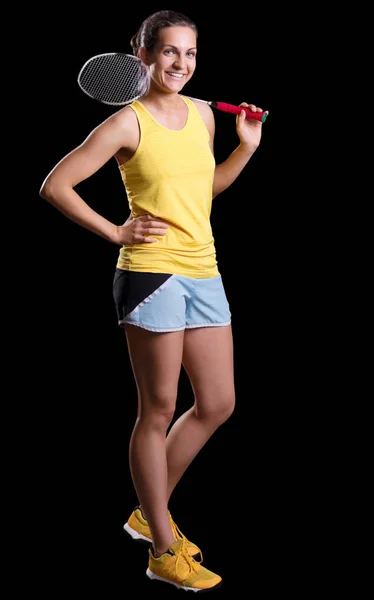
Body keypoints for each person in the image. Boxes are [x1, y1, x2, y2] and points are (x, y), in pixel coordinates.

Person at [39, 9, 268, 592]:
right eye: (169, 52)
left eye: (190, 54)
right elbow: (55, 185)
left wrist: (245, 148)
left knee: (218, 402)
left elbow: (204, 191)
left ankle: (149, 511)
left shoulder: (202, 116)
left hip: (204, 270)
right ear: (141, 56)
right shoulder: (126, 124)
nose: (181, 64)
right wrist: (116, 232)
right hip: (151, 275)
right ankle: (162, 549)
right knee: (159, 409)